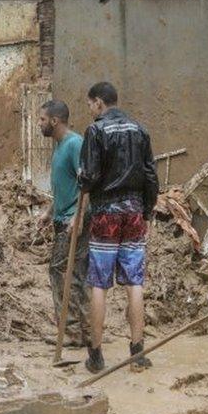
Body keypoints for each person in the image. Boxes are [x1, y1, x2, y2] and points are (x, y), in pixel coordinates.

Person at [78, 82, 159, 373]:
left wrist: (81, 180)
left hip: (105, 214)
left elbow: (89, 176)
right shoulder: (140, 130)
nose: (90, 111)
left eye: (90, 105)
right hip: (135, 212)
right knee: (135, 282)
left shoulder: (96, 131)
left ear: (99, 102)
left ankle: (96, 356)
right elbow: (151, 175)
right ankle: (137, 353)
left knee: (99, 283)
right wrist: (147, 211)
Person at [37, 99, 91, 347]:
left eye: (42, 119)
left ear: (55, 121)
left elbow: (87, 185)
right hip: (63, 218)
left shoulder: (74, 145)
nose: (40, 124)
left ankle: (71, 332)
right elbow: (64, 186)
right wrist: (49, 211)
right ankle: (83, 332)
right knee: (74, 273)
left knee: (61, 271)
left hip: (74, 221)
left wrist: (77, 217)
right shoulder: (60, 146)